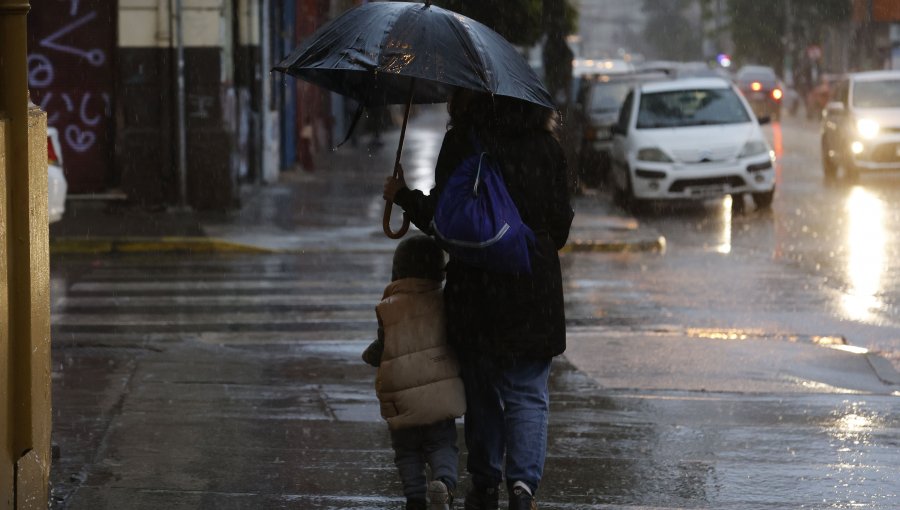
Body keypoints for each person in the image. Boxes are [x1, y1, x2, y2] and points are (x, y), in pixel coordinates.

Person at [383, 90, 574, 510]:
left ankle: (485, 480)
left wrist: (401, 195)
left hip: (476, 290)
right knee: (527, 392)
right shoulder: (546, 148)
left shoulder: (464, 141)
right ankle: (523, 488)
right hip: (532, 286)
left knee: (482, 389)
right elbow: (560, 228)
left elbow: (442, 220)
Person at [362, 235, 466, 510]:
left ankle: (415, 497)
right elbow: (455, 340)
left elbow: (385, 346)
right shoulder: (444, 302)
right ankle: (444, 483)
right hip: (438, 395)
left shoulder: (388, 307)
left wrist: (371, 355)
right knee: (443, 444)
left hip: (402, 399)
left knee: (407, 452)